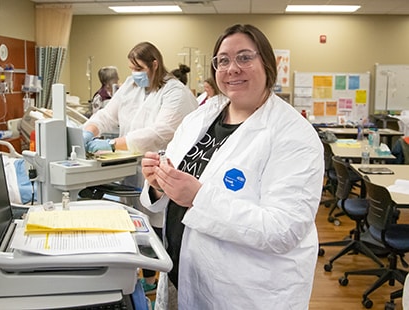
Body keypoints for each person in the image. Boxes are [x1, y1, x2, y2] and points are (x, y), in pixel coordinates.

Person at [140, 24, 324, 309]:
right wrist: (157, 185)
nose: (232, 68)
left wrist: (198, 198)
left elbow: (283, 230)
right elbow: (175, 185)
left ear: (267, 63)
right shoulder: (202, 117)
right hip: (182, 272)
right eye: (223, 60)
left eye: (245, 57)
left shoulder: (294, 135)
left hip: (246, 292)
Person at [81, 41, 198, 292]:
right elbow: (107, 115)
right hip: (131, 168)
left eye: (138, 67)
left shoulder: (174, 92)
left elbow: (158, 133)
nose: (134, 73)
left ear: (154, 65)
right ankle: (146, 278)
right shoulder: (131, 86)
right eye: (131, 67)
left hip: (161, 168)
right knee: (138, 224)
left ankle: (158, 282)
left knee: (158, 226)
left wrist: (113, 144)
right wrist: (87, 132)